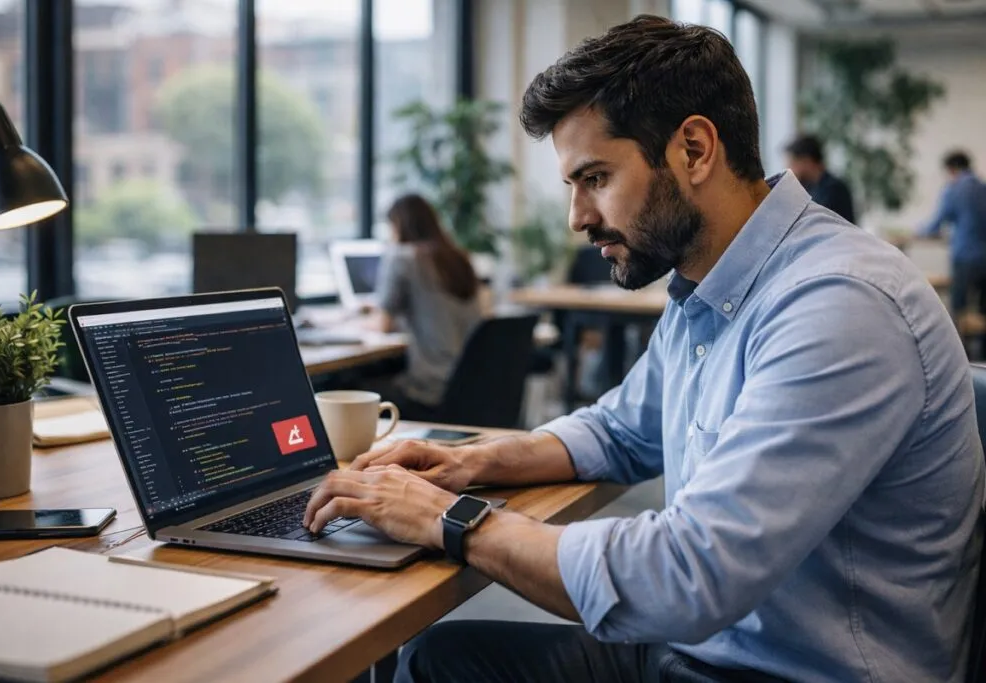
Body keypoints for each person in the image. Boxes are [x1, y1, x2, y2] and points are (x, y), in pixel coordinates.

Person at [304, 15, 984, 683]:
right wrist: (472, 461)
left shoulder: (839, 304)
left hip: (784, 667)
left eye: (595, 177)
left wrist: (447, 519)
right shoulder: (711, 284)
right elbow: (623, 427)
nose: (577, 218)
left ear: (693, 149)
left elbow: (692, 574)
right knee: (437, 659)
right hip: (705, 647)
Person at [363, 193, 482, 415]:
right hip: (471, 385)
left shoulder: (403, 257)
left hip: (430, 389)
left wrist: (349, 323)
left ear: (398, 225)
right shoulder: (458, 258)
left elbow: (382, 325)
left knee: (345, 389)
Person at [920, 151, 986, 321]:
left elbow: (936, 223)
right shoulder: (982, 187)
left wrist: (919, 230)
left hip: (965, 256)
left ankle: (962, 347)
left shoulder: (954, 189)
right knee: (982, 312)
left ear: (952, 169)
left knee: (959, 308)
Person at [784, 134, 856, 223]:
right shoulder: (810, 188)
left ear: (807, 161)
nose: (789, 170)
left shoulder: (833, 190)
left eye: (792, 164)